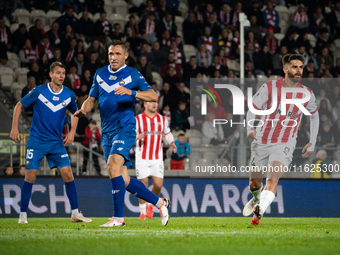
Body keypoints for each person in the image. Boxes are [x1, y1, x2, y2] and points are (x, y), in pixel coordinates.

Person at [74, 40, 170, 227]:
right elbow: (91, 99)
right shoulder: (100, 74)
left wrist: (131, 92)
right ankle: (160, 203)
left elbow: (152, 96)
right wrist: (84, 108)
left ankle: (118, 218)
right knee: (122, 178)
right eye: (111, 54)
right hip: (107, 130)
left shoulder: (132, 74)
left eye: (117, 54)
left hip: (125, 126)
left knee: (112, 164)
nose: (114, 57)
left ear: (125, 55)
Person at [10, 61, 92, 224]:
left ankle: (75, 213)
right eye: (58, 72)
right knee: (30, 176)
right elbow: (19, 105)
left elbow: (75, 114)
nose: (61, 75)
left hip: (56, 142)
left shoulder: (69, 94)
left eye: (63, 73)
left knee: (68, 174)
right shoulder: (39, 91)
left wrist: (72, 132)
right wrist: (14, 128)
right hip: (37, 141)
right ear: (51, 75)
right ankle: (23, 215)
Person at [243, 54, 319, 226]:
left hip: (285, 142)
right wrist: (250, 128)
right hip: (262, 140)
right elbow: (252, 108)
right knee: (254, 183)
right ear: (285, 69)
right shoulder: (269, 87)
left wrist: (312, 141)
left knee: (273, 177)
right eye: (294, 66)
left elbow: (314, 117)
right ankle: (256, 199)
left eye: (300, 67)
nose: (299, 70)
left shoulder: (307, 94)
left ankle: (260, 209)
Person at [135, 101, 177, 220]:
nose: (154, 104)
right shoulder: (138, 119)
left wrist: (171, 142)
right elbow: (130, 135)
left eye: (156, 102)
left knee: (158, 185)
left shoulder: (162, 119)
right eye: (151, 102)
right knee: (143, 185)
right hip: (142, 157)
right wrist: (136, 137)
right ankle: (142, 212)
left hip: (157, 157)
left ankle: (149, 203)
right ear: (145, 104)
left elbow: (167, 133)